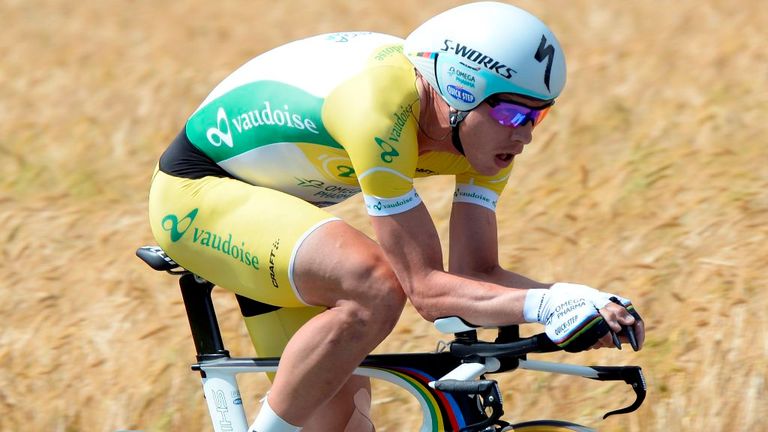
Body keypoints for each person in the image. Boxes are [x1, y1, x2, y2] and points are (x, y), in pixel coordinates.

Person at [147, 2, 645, 431]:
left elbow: (475, 278)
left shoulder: (485, 142)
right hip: (197, 195)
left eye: (539, 115)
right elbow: (425, 289)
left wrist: (581, 300)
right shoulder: (379, 111)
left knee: (340, 424)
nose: (526, 134)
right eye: (515, 113)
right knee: (373, 283)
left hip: (282, 216)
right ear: (461, 88)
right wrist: (546, 305)